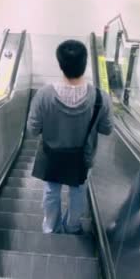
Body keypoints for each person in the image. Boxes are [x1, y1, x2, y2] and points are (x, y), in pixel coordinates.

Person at [27, 40, 112, 234]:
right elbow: (107, 129)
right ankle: (72, 226)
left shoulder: (43, 95)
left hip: (52, 156)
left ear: (60, 64)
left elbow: (32, 130)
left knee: (51, 191)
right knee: (78, 191)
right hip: (83, 157)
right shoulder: (100, 98)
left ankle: (50, 226)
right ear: (85, 64)